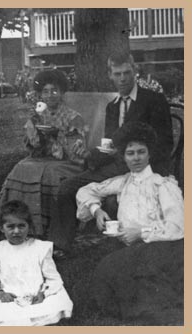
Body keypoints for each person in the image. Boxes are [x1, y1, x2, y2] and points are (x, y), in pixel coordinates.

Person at [49, 51, 174, 256]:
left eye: (126, 72)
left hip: (142, 168)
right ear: (110, 75)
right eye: (117, 74)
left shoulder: (153, 100)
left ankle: (119, 248)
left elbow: (165, 144)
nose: (122, 78)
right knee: (66, 187)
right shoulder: (113, 107)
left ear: (135, 71)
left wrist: (136, 159)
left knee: (111, 199)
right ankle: (60, 245)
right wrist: (88, 154)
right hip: (114, 169)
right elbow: (108, 147)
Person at [76, 122, 183, 324]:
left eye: (141, 152)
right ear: (123, 157)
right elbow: (86, 190)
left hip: (164, 245)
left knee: (117, 269)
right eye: (130, 153)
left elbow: (178, 227)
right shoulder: (124, 181)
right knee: (111, 272)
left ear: (149, 154)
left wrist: (141, 232)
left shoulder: (163, 184)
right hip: (131, 246)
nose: (136, 158)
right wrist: (96, 210)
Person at [0, 69, 88, 237]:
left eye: (54, 91)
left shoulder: (74, 117)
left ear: (61, 92)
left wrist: (57, 136)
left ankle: (47, 228)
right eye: (45, 91)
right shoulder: (38, 115)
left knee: (47, 173)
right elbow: (33, 148)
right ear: (40, 94)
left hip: (67, 162)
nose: (50, 95)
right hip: (43, 158)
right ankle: (12, 223)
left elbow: (75, 152)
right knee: (21, 167)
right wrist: (35, 133)